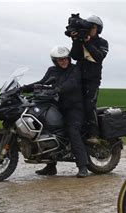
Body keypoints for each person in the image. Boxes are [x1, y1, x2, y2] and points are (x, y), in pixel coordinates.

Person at [21, 46, 89, 178]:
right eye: (60, 60)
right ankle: (51, 166)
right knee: (47, 132)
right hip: (57, 106)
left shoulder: (75, 69)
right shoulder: (52, 71)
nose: (63, 61)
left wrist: (56, 90)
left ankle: (83, 166)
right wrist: (24, 88)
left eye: (65, 59)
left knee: (72, 131)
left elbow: (72, 84)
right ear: (55, 61)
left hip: (74, 107)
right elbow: (42, 83)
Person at [69, 15, 109, 144]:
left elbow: (99, 57)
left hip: (92, 80)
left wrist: (87, 42)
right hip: (78, 78)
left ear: (96, 28)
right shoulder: (80, 40)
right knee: (74, 104)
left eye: (90, 27)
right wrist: (76, 40)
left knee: (89, 105)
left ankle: (93, 134)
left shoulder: (102, 42)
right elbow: (74, 56)